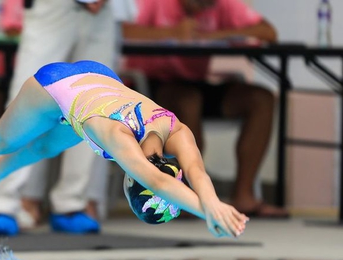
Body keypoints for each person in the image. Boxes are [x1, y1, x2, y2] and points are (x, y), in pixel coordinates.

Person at [0, 60, 249, 238]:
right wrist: (207, 212)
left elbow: (196, 171)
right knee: (2, 139)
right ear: (131, 178)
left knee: (43, 148)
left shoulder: (176, 130)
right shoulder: (118, 137)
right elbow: (157, 183)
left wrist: (215, 206)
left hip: (100, 80)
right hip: (58, 86)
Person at [122, 0, 288, 219]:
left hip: (196, 84)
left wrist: (215, 35)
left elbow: (268, 32)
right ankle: (186, 194)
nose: (202, 9)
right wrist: (172, 32)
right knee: (188, 100)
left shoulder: (224, 4)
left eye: (207, 5)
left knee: (261, 99)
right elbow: (122, 31)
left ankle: (244, 195)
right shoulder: (154, 3)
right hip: (152, 86)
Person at [0, 0, 118, 237]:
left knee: (95, 101)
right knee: (27, 99)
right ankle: (2, 204)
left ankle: (72, 203)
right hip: (52, 7)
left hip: (102, 11)